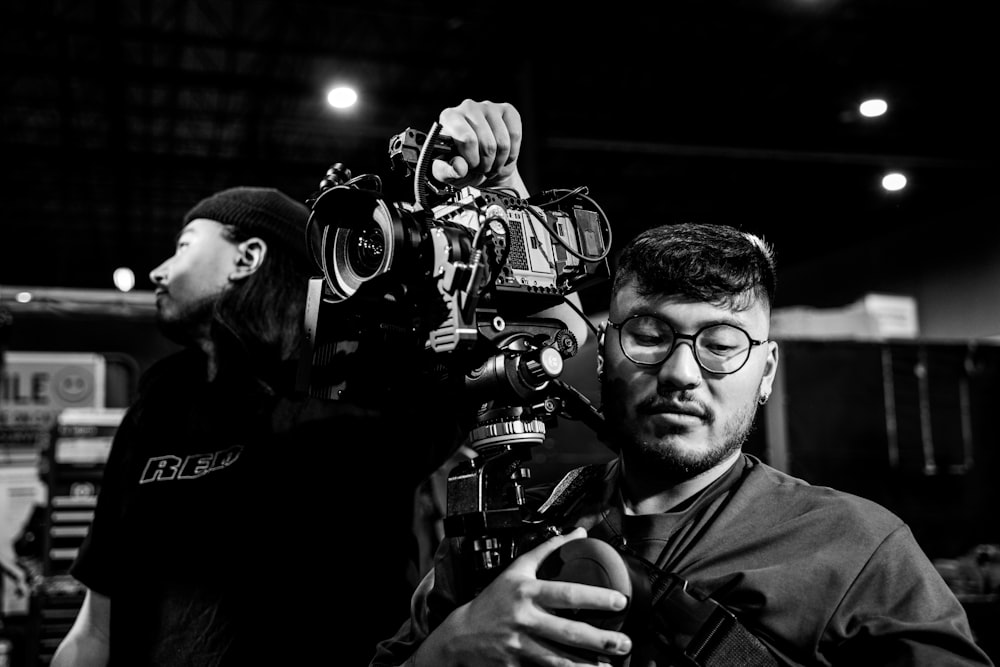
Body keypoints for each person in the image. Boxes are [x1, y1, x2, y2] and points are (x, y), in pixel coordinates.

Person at [370, 222, 996, 666]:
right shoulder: (510, 534)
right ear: (602, 355)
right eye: (647, 335)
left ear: (768, 370)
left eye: (721, 345)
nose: (680, 373)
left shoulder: (861, 551)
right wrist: (451, 652)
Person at [50, 98, 537, 667]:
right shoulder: (157, 405)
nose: (159, 270)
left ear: (247, 257)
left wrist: (501, 186)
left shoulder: (357, 391)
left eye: (183, 247)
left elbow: (513, 337)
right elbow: (96, 627)